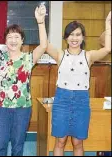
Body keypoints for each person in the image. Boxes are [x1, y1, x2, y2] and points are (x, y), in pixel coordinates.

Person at [0, 3, 48, 156]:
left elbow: (44, 45)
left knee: (18, 146)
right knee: (0, 145)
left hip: (22, 109)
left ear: (22, 40)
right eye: (9, 37)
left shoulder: (28, 58)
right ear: (5, 40)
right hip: (1, 108)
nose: (13, 40)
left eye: (16, 37)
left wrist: (40, 22)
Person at [46, 11, 111, 156]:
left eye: (78, 34)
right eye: (71, 34)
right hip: (62, 100)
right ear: (66, 37)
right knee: (60, 141)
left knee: (78, 142)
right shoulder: (60, 54)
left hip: (81, 102)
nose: (74, 38)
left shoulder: (89, 56)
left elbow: (107, 48)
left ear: (83, 37)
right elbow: (44, 44)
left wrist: (107, 24)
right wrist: (40, 22)